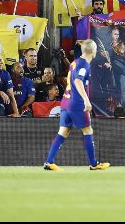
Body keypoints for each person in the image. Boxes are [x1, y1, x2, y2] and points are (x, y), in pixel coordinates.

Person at [43, 39, 110, 171]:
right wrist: (86, 100)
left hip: (66, 102)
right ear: (93, 51)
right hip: (76, 102)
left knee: (63, 131)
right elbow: (78, 81)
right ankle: (94, 164)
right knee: (87, 130)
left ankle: (49, 161)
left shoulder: (75, 62)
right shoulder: (84, 64)